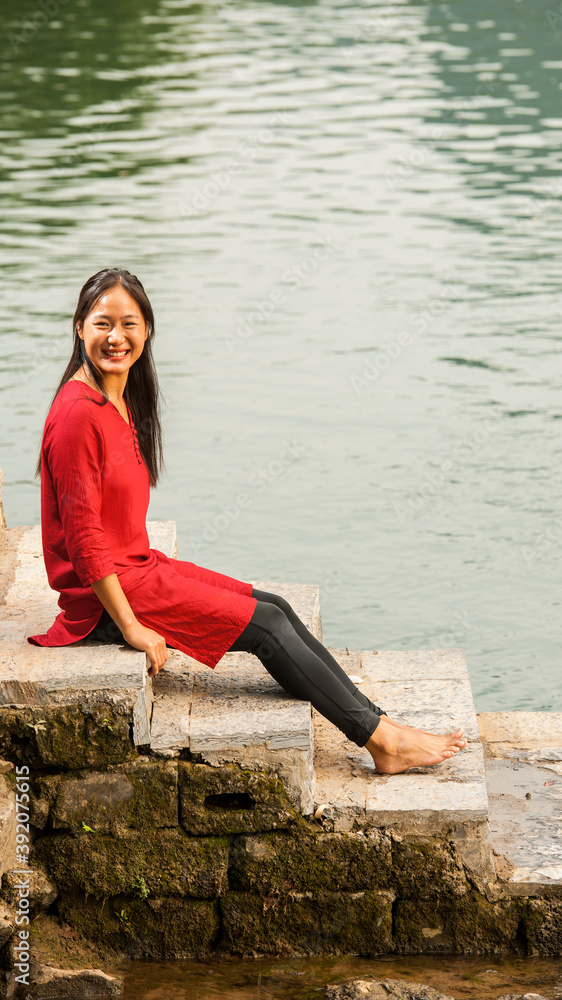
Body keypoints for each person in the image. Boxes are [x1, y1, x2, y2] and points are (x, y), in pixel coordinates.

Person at [28, 268, 467, 774]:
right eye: (103, 323)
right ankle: (381, 741)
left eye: (129, 324)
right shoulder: (78, 414)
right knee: (268, 628)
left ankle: (379, 723)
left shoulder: (118, 398)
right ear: (79, 327)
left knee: (272, 604)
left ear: (147, 331)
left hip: (140, 567)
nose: (116, 337)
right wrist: (131, 627)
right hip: (107, 598)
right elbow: (84, 542)